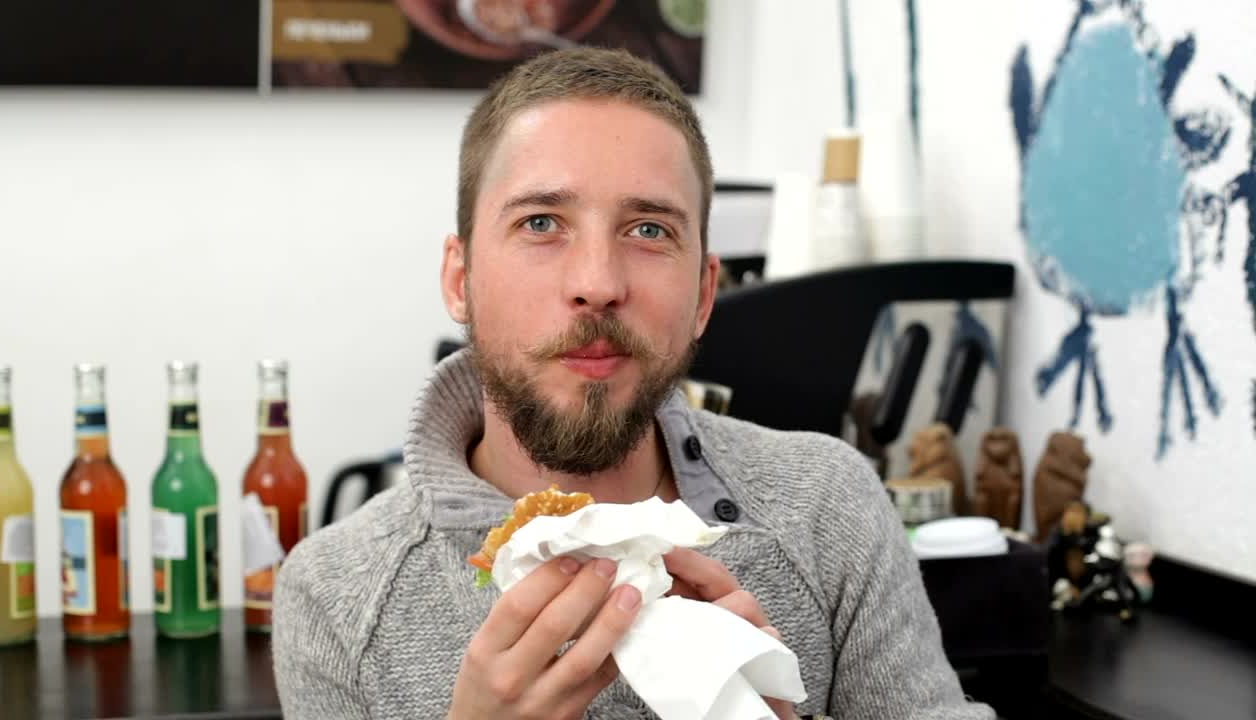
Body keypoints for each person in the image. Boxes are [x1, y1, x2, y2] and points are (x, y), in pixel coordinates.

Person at [273, 47, 994, 720]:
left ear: (705, 294)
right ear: (460, 280)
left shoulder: (829, 505)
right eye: (542, 222)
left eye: (649, 231)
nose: (597, 284)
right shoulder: (335, 595)